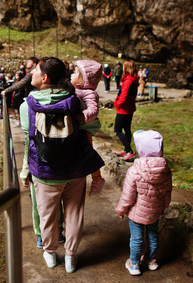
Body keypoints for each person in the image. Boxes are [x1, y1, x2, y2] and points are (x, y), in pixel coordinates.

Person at [20, 57, 104, 273]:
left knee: (47, 215)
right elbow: (92, 126)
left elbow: (29, 138)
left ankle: (49, 253)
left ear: (45, 78)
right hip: (75, 169)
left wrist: (25, 170)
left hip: (44, 171)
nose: (32, 74)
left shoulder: (26, 105)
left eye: (36, 70)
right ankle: (70, 256)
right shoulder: (76, 100)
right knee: (74, 213)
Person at [115, 130, 172, 276]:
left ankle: (134, 264)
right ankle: (150, 260)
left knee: (137, 238)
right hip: (155, 211)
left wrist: (121, 210)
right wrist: (162, 208)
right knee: (153, 235)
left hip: (137, 214)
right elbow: (167, 193)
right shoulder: (166, 171)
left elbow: (127, 197)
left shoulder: (134, 171)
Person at [70, 59, 106, 195]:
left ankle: (97, 178)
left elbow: (93, 109)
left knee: (88, 152)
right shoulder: (75, 89)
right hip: (79, 126)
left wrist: (84, 115)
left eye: (74, 73)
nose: (71, 75)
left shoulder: (89, 93)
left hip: (85, 127)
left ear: (82, 79)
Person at [114, 59, 139, 162]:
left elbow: (123, 96)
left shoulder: (128, 81)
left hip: (123, 109)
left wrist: (116, 104)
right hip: (130, 108)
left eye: (124, 66)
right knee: (127, 129)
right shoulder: (134, 79)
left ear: (127, 68)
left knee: (117, 130)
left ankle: (129, 151)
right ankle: (126, 150)